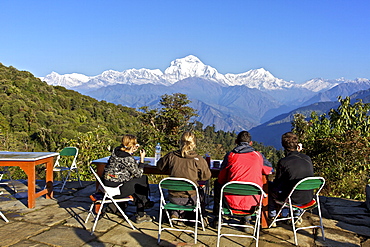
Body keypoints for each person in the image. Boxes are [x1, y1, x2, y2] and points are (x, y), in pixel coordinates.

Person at [212, 131, 273, 227]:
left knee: (217, 184)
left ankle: (217, 217)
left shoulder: (231, 156)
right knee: (254, 187)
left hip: (231, 201)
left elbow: (221, 178)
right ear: (251, 143)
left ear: (236, 141)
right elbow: (269, 170)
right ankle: (247, 220)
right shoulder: (258, 156)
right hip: (253, 201)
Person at [157, 131, 212, 220]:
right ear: (194, 144)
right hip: (191, 198)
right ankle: (200, 216)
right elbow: (206, 176)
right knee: (200, 191)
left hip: (173, 197)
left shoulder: (171, 156)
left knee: (179, 195)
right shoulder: (198, 159)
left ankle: (175, 213)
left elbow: (160, 166)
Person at [102, 134, 152, 224]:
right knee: (142, 180)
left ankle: (143, 203)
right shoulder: (128, 158)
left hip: (105, 187)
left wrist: (131, 151)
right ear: (132, 146)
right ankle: (141, 212)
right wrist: (142, 160)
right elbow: (138, 174)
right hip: (116, 190)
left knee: (137, 182)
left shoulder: (116, 151)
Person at [269, 132, 314, 219]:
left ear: (283, 145)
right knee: (293, 187)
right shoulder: (307, 158)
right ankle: (297, 214)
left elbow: (277, 184)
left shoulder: (284, 162)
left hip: (292, 199)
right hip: (308, 198)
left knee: (269, 187)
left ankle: (272, 215)